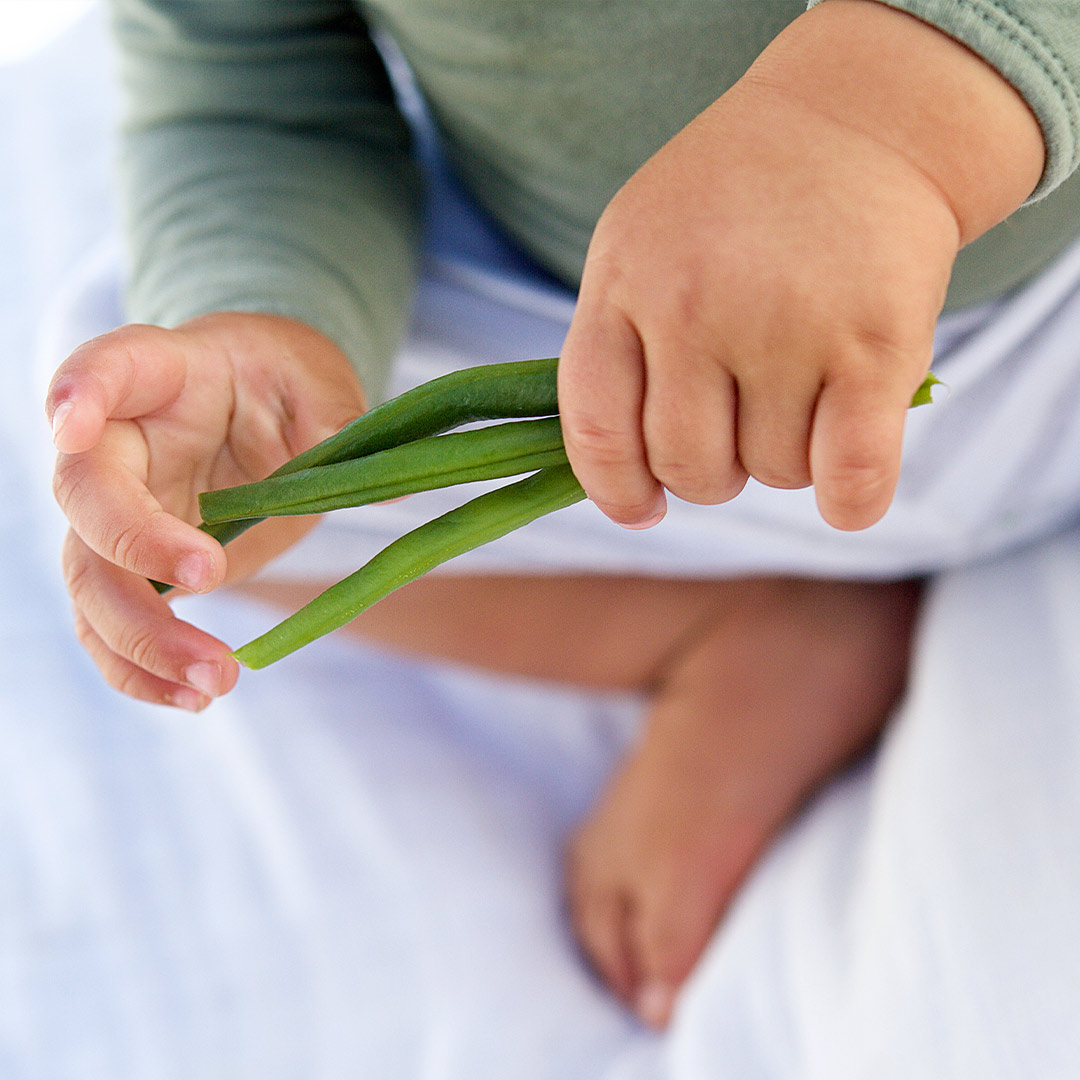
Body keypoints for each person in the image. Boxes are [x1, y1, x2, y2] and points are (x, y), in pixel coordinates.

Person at [44, 0, 1080, 1032]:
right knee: (170, 456)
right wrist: (262, 332)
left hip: (1048, 290)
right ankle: (735, 630)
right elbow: (256, 95)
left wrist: (868, 126)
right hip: (628, 376)